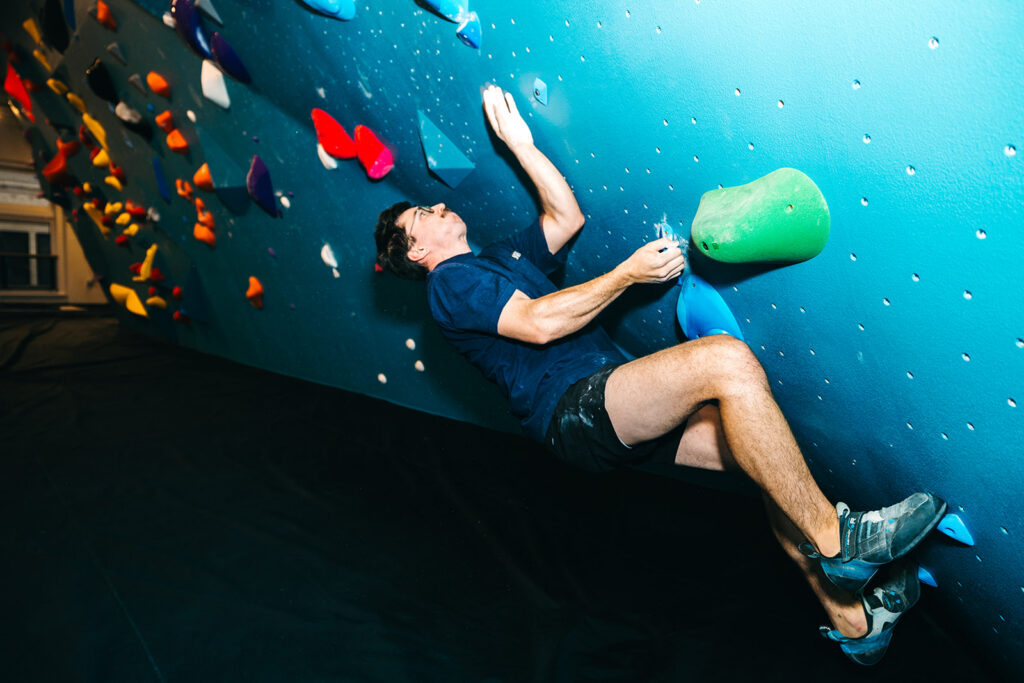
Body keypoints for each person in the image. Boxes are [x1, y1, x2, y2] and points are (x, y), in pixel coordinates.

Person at [374, 84, 946, 665]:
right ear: (418, 252)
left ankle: (854, 623)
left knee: (768, 464)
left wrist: (520, 143)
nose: (440, 207)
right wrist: (626, 275)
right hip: (573, 409)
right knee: (726, 358)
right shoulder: (451, 283)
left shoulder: (495, 260)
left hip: (607, 403)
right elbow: (539, 324)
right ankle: (838, 542)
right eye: (426, 213)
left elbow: (565, 218)